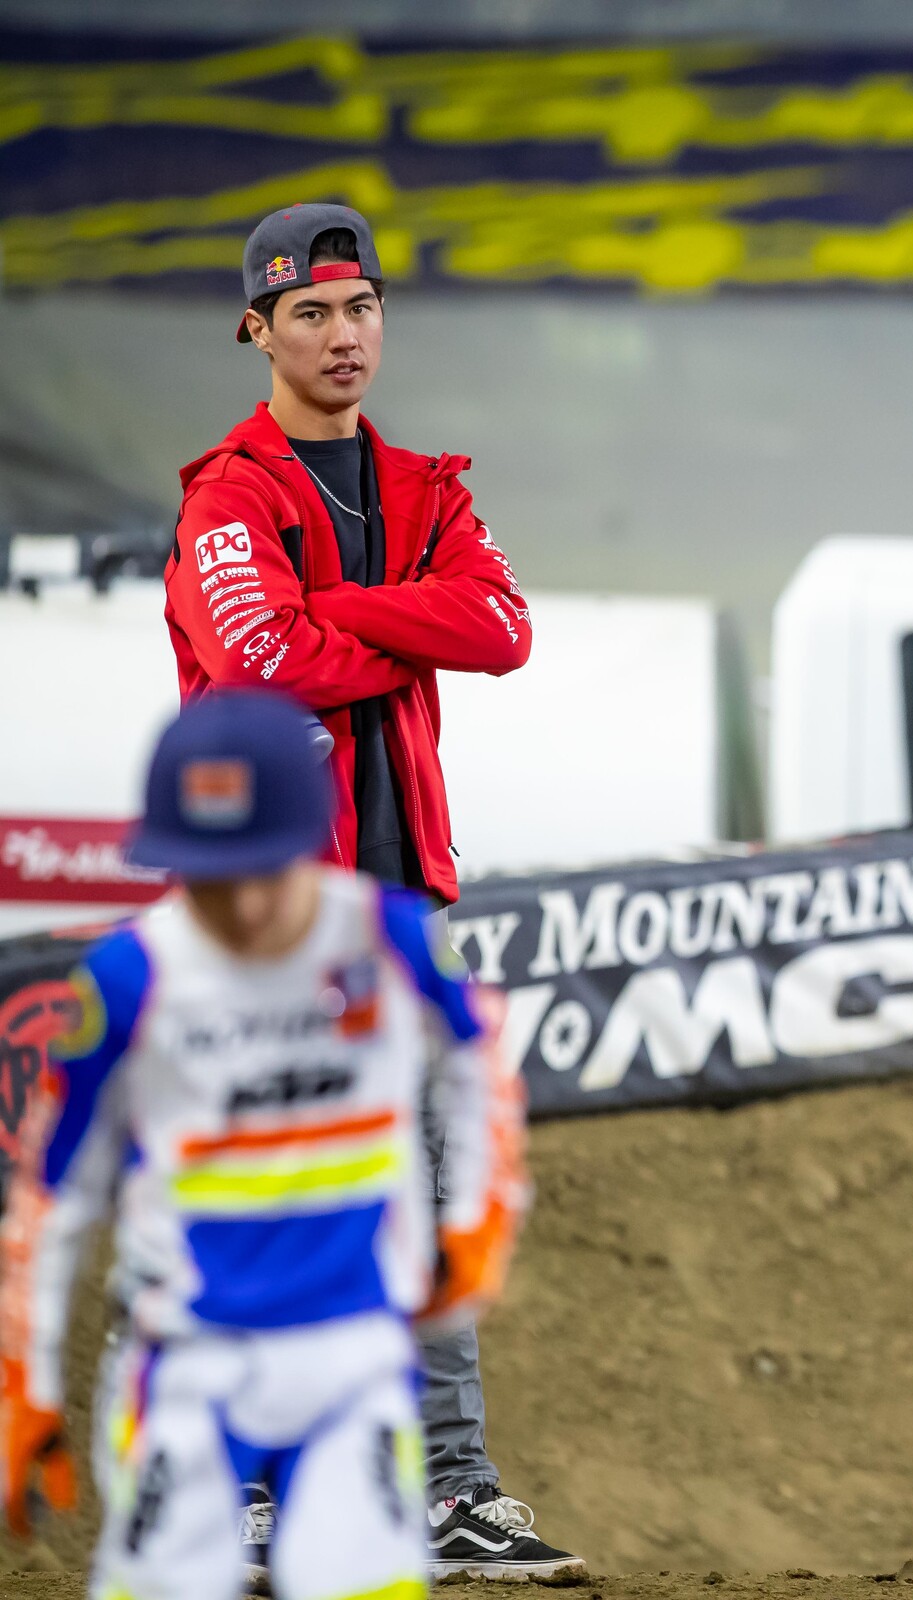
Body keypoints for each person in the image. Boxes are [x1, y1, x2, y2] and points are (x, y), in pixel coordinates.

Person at [164, 203, 573, 1581]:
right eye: (313, 315)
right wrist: (405, 623)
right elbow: (259, 657)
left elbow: (505, 630)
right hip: (271, 911)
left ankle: (452, 1489)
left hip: (402, 904)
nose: (345, 337)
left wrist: (342, 614)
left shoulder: (428, 485)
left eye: (362, 308)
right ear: (260, 330)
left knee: (435, 1189)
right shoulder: (230, 492)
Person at [0, 690, 530, 1600]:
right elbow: (53, 1195)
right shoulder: (130, 979)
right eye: (211, 873)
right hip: (184, 1367)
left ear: (309, 839)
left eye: (262, 867)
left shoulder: (389, 937)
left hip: (355, 1357)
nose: (243, 905)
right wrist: (24, 1376)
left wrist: (481, 1219)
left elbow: (483, 1056)